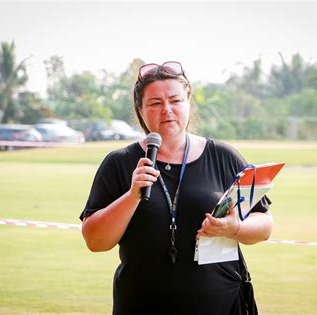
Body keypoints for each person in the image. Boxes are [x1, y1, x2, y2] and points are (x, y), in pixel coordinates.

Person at [80, 61, 273, 315]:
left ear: (188, 102)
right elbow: (95, 241)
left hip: (222, 304)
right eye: (155, 103)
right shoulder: (120, 163)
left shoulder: (223, 156)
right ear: (140, 109)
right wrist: (132, 195)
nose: (167, 110)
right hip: (141, 305)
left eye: (175, 100)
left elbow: (264, 225)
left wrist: (235, 227)